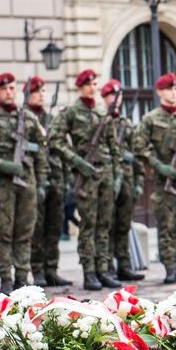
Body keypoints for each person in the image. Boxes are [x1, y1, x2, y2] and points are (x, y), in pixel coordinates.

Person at [0, 73, 48, 294]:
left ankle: (22, 277)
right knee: (3, 233)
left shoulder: (29, 118)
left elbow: (41, 150)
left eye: (12, 88)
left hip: (26, 181)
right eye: (5, 89)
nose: (9, 92)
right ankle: (5, 277)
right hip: (0, 184)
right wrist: (1, 164)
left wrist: (42, 182)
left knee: (25, 232)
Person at [49, 70, 121, 291]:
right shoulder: (72, 112)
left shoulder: (102, 112)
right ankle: (89, 272)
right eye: (88, 84)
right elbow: (55, 139)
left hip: (105, 172)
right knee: (89, 225)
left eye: (95, 84)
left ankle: (104, 269)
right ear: (80, 87)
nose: (92, 87)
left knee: (104, 224)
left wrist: (117, 173)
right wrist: (76, 161)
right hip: (86, 176)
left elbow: (112, 144)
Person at [132, 73, 176, 284]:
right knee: (167, 225)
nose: (175, 92)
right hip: (164, 182)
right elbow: (140, 147)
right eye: (170, 89)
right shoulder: (151, 119)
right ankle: (171, 267)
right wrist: (159, 166)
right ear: (160, 92)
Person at [28, 77, 72, 288]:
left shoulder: (51, 119)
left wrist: (66, 179)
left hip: (56, 180)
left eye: (43, 91)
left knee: (54, 228)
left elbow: (61, 148)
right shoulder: (24, 119)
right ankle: (37, 271)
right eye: (37, 91)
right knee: (37, 229)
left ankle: (51, 270)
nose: (41, 95)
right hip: (36, 181)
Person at [101, 79, 144, 282]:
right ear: (104, 98)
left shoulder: (126, 124)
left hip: (126, 179)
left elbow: (138, 155)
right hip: (107, 179)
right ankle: (107, 266)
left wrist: (138, 181)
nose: (115, 101)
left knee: (123, 225)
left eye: (118, 97)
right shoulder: (101, 122)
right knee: (107, 224)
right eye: (111, 96)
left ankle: (124, 265)